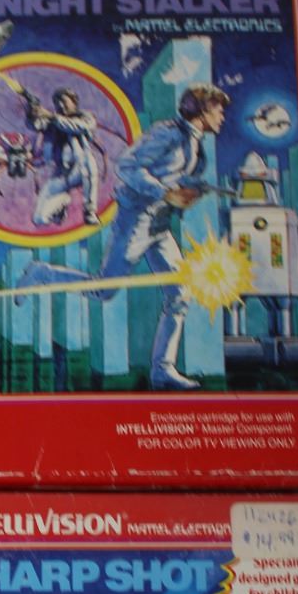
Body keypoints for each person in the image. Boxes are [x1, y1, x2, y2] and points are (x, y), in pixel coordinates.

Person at [99, 83, 229, 390]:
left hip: (159, 225)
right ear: (203, 111)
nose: (222, 117)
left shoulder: (194, 142)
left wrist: (192, 188)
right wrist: (166, 192)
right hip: (136, 219)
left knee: (180, 293)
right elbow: (127, 166)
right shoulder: (168, 133)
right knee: (104, 291)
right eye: (218, 110)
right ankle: (42, 274)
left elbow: (171, 173)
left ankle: (163, 369)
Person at [25, 86, 105, 228]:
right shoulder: (51, 121)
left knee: (88, 160)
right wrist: (32, 112)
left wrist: (52, 116)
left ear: (74, 102)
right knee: (39, 219)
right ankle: (61, 205)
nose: (61, 105)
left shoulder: (86, 117)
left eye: (64, 101)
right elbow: (36, 125)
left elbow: (77, 127)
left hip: (80, 168)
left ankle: (89, 211)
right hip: (60, 174)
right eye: (57, 103)